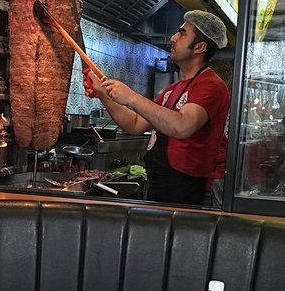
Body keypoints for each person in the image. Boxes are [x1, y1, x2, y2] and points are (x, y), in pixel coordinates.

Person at [88, 10, 230, 205]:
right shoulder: (172, 90)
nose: (173, 38)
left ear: (200, 47)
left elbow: (182, 126)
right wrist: (103, 94)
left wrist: (131, 97)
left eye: (182, 34)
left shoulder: (210, 85)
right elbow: (135, 124)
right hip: (162, 186)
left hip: (187, 191)